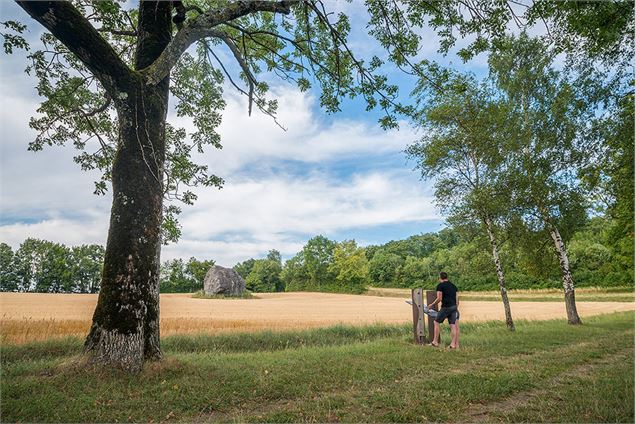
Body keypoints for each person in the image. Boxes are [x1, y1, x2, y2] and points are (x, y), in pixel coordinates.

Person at [427, 272, 460, 349]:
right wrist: (455, 308)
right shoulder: (454, 286)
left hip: (446, 307)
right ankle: (453, 344)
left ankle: (435, 342)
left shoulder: (440, 286)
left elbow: (439, 298)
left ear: (440, 277)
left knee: (436, 322)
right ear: (446, 277)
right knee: (452, 325)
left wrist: (431, 305)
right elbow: (457, 300)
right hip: (454, 307)